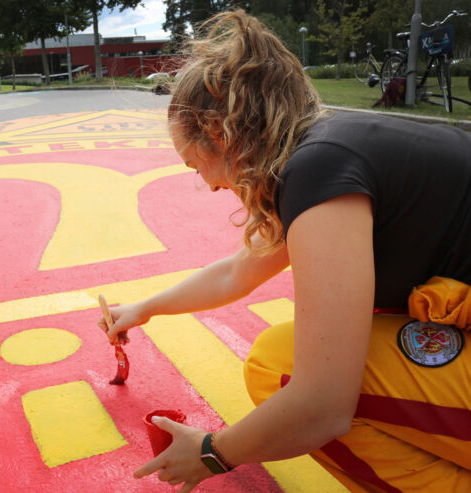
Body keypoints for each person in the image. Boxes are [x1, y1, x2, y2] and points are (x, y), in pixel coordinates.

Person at [100, 10, 471, 492]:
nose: (210, 185)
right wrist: (145, 309)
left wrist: (212, 453)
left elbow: (322, 406)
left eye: (196, 166)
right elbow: (238, 272)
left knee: (280, 364)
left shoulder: (318, 171)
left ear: (219, 134)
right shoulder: (334, 148)